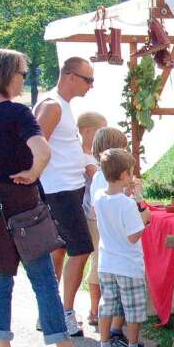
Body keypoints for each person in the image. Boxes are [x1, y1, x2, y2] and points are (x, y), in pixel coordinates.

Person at [0, 49, 105, 347]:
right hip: (21, 203)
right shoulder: (19, 113)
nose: (26, 78)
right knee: (43, 280)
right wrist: (32, 171)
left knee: (0, 277)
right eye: (23, 73)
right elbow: (42, 150)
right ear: (10, 74)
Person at [34, 57, 96, 337]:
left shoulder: (61, 105)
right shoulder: (52, 105)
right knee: (80, 249)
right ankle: (65, 313)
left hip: (65, 187)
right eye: (88, 79)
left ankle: (50, 312)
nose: (90, 86)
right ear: (70, 76)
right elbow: (36, 145)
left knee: (58, 250)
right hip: (58, 190)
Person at [92, 148, 153, 347]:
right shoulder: (127, 205)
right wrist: (144, 217)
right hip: (128, 264)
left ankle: (104, 344)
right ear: (125, 175)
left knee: (108, 304)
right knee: (133, 307)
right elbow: (133, 236)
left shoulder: (99, 197)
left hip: (107, 262)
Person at [86, 126, 132, 347]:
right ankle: (115, 330)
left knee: (106, 278)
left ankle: (108, 331)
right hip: (113, 238)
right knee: (116, 285)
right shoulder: (103, 179)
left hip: (107, 235)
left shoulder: (98, 176)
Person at [77, 111, 108, 327]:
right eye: (100, 130)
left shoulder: (85, 154)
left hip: (89, 212)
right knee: (98, 260)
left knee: (93, 259)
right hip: (92, 214)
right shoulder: (86, 158)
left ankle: (96, 308)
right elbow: (98, 177)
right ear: (87, 131)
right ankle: (95, 310)